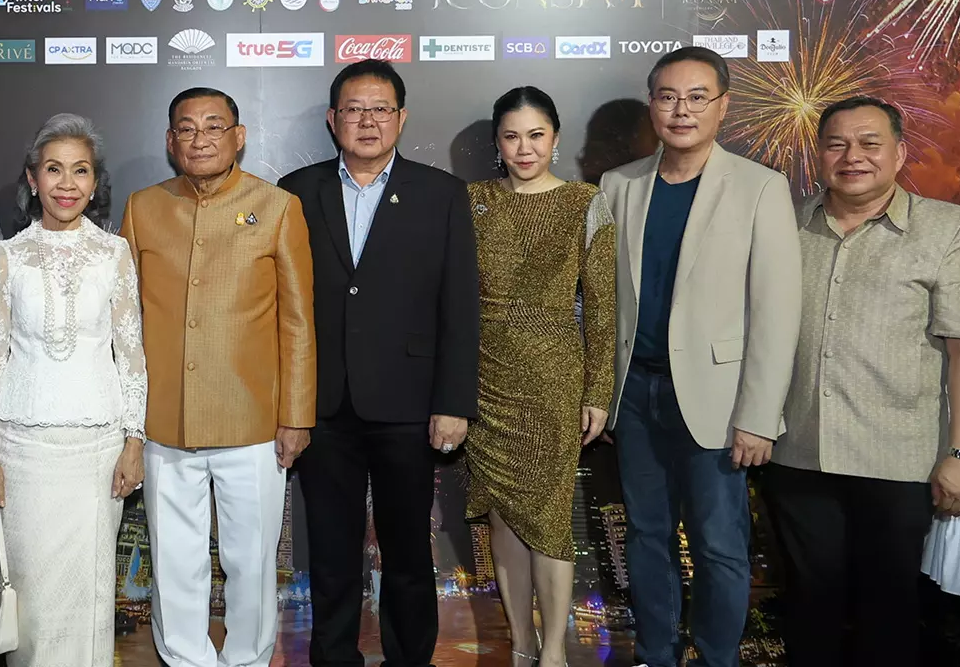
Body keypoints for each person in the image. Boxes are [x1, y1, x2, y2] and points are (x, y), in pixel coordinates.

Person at [599, 46, 801, 667]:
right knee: (645, 536)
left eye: (696, 97)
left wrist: (758, 416)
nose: (681, 110)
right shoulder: (618, 185)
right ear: (652, 105)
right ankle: (656, 654)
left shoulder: (760, 187)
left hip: (720, 399)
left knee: (719, 544)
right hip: (635, 393)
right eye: (668, 97)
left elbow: (776, 311)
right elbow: (602, 302)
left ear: (723, 106)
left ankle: (717, 657)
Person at [279, 59, 480, 667]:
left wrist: (453, 402)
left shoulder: (441, 194)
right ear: (332, 118)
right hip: (324, 404)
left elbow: (459, 305)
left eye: (380, 109)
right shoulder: (295, 191)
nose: (367, 121)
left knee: (409, 555)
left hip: (409, 403)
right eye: (354, 110)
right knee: (331, 555)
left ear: (401, 118)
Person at [766, 96, 960, 667]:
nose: (852, 156)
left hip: (900, 462)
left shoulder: (949, 228)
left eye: (869, 143)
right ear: (818, 155)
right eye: (836, 144)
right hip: (798, 455)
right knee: (809, 610)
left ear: (900, 153)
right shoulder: (784, 225)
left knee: (889, 613)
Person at [120, 87, 316, 667]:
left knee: (251, 560)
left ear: (239, 136)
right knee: (174, 560)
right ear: (169, 140)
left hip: (253, 420)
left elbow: (298, 322)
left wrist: (296, 416)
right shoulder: (143, 208)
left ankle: (249, 659)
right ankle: (185, 659)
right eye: (187, 128)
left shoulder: (277, 207)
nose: (200, 139)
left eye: (214, 126)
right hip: (163, 419)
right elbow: (122, 319)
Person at [0, 114, 147, 666]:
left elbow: (131, 353)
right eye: (53, 170)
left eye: (80, 170)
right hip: (22, 449)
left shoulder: (114, 253)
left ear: (95, 183)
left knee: (89, 590)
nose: (66, 183)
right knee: (31, 594)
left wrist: (134, 440)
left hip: (97, 448)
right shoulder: (7, 255)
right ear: (32, 179)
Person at [464, 86, 616, 667]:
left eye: (535, 135)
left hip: (554, 377)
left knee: (549, 517)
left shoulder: (585, 202)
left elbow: (601, 306)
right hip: (485, 377)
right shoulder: (473, 200)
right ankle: (521, 647)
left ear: (555, 138)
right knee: (503, 516)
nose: (524, 149)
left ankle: (554, 652)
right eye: (511, 137)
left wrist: (597, 390)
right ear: (497, 143)